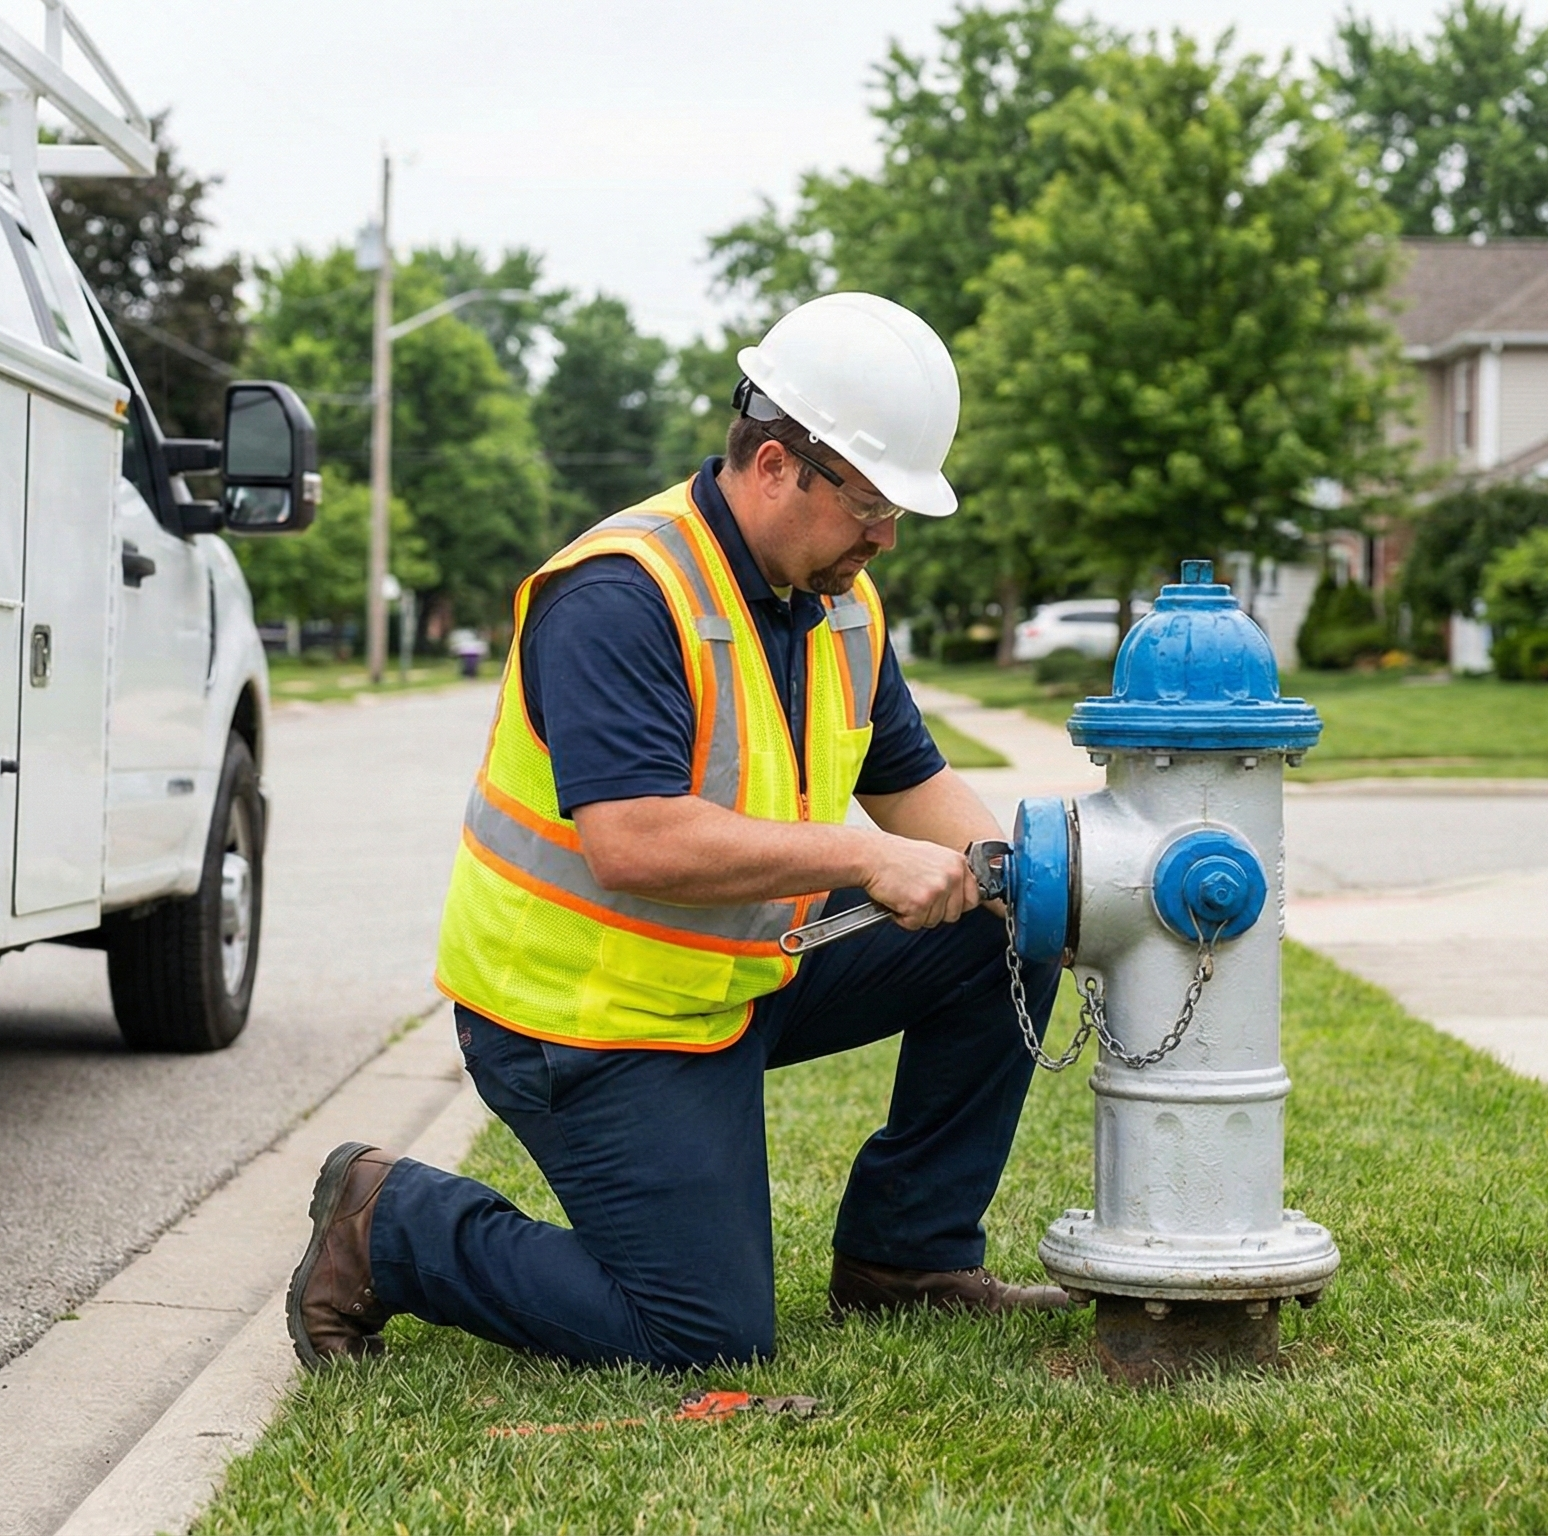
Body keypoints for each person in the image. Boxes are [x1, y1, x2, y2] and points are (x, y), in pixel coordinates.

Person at [285, 292, 1067, 1370]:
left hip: (735, 978)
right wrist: (865, 858)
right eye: (870, 504)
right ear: (778, 463)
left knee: (996, 929)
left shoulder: (838, 601)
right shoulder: (620, 594)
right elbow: (636, 844)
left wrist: (1034, 883)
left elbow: (910, 784)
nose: (884, 538)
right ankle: (388, 1224)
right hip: (582, 1019)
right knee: (704, 1335)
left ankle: (906, 1259)